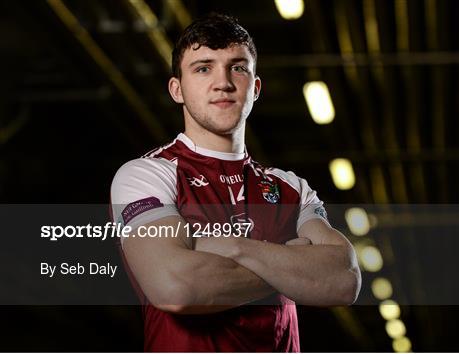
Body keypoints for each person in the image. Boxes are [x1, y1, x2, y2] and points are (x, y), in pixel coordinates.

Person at [110, 13, 361, 352]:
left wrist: (231, 248)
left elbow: (344, 280)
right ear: (176, 89)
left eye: (238, 67)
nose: (223, 82)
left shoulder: (289, 187)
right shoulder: (148, 175)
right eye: (203, 68)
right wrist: (291, 265)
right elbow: (175, 287)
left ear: (255, 87)